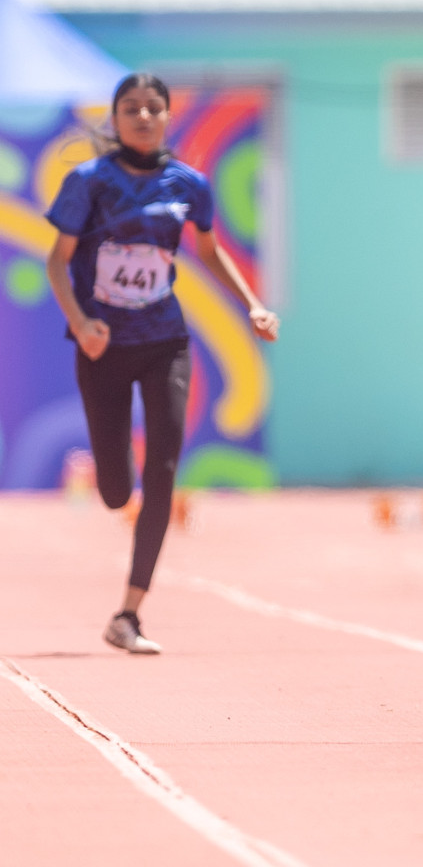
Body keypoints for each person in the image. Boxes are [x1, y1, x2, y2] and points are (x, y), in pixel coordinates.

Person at [44, 72, 279, 655]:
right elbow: (57, 261)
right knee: (116, 492)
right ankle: (113, 468)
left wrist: (252, 305)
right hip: (102, 344)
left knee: (165, 470)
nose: (144, 118)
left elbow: (208, 250)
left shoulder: (190, 185)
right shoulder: (89, 183)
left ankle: (129, 613)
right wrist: (80, 321)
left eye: (154, 108)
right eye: (132, 109)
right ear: (115, 118)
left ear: (168, 116)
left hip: (165, 340)